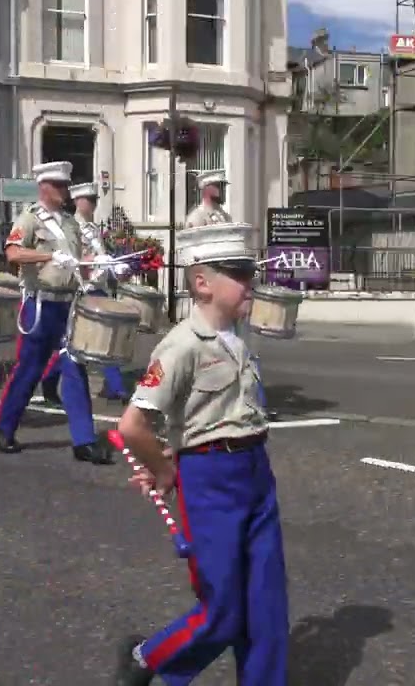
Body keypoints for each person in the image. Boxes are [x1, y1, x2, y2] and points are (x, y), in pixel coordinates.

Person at [114, 222, 288, 686]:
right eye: (237, 273)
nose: (249, 281)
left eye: (249, 271)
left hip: (255, 470)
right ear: (202, 283)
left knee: (267, 604)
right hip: (211, 478)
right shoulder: (182, 345)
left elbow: (202, 413)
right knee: (225, 608)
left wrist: (171, 450)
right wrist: (164, 468)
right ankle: (148, 658)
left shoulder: (239, 339)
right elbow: (132, 425)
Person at [0, 161, 111, 463]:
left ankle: (83, 440)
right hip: (40, 303)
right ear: (44, 187)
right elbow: (13, 253)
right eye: (59, 186)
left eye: (66, 185)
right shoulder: (30, 218)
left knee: (75, 367)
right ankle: (5, 425)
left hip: (68, 304)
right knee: (29, 368)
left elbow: (77, 260)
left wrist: (101, 264)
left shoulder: (71, 223)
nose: (65, 191)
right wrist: (48, 255)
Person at [40, 181, 131, 403]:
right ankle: (49, 376)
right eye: (89, 200)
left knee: (103, 338)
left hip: (98, 288)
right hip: (83, 289)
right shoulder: (73, 227)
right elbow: (76, 261)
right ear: (78, 201)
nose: (93, 204)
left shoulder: (92, 227)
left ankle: (114, 386)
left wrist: (115, 268)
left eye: (95, 200)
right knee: (82, 343)